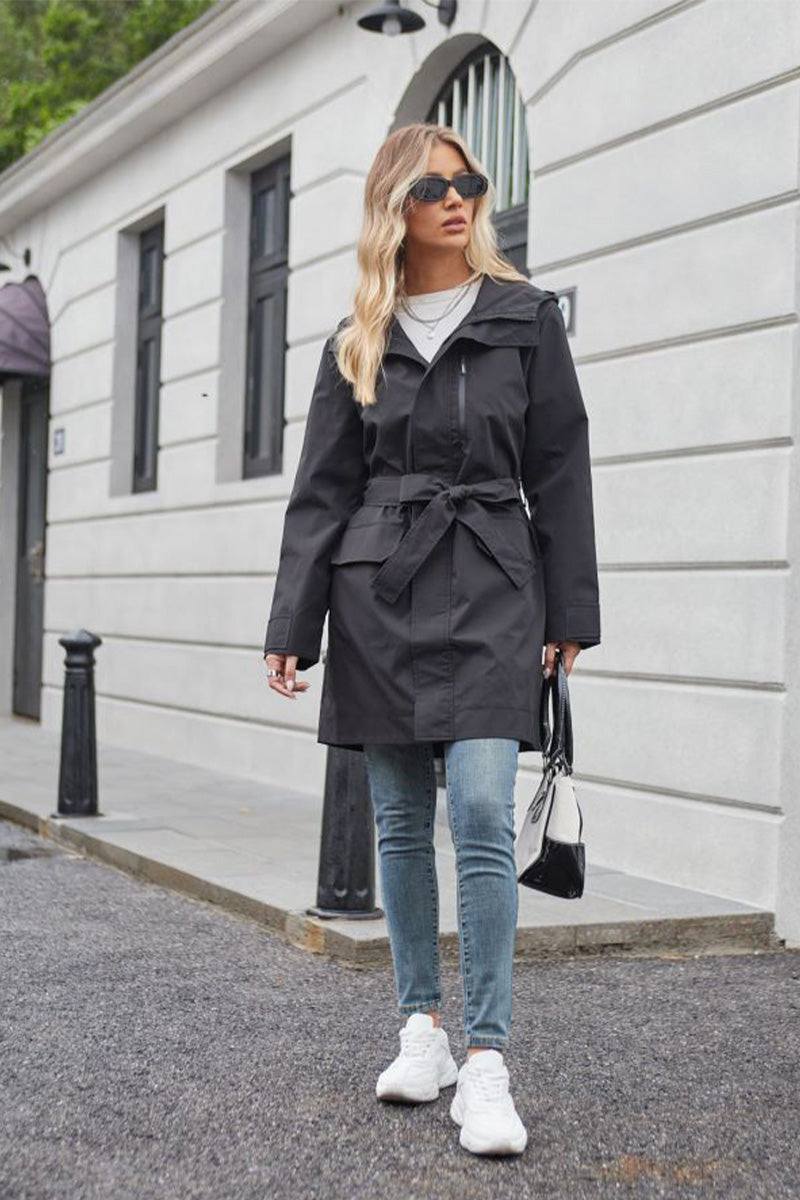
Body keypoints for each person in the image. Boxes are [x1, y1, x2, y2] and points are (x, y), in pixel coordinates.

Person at [263, 123, 601, 1157]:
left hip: (495, 579)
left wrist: (568, 613)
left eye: (466, 182)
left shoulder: (524, 318)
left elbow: (558, 466)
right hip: (380, 589)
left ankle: (487, 1061)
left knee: (485, 810)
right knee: (401, 824)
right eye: (431, 186)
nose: (454, 199)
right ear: (393, 207)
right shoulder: (353, 337)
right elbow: (322, 490)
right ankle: (423, 1031)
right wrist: (293, 624)